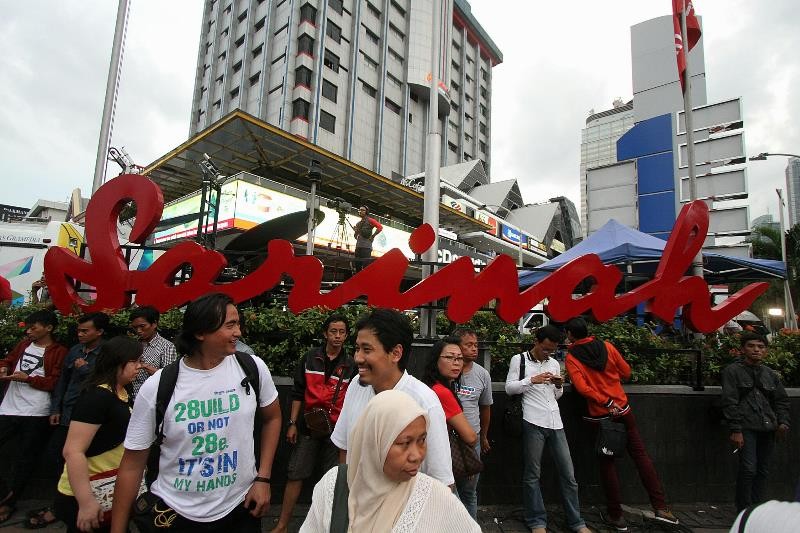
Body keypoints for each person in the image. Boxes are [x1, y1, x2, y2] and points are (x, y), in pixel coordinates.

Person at [110, 292, 282, 532]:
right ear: (200, 332)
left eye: (238, 324)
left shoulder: (252, 368)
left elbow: (272, 418)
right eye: (230, 325)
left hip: (240, 507)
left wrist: (263, 478)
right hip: (175, 513)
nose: (238, 333)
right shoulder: (159, 386)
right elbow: (132, 465)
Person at [300, 390, 480, 532]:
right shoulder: (333, 487)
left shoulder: (436, 499)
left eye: (422, 440)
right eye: (404, 443)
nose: (416, 455)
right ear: (375, 442)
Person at [564, 317, 677, 531]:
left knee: (607, 465)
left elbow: (582, 387)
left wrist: (604, 400)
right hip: (624, 410)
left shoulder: (572, 357)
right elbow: (626, 372)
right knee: (641, 456)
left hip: (598, 416)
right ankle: (661, 507)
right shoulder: (607, 346)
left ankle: (616, 515)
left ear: (570, 334)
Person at [330, 308, 454, 487]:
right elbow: (345, 448)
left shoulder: (424, 402)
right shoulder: (357, 385)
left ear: (396, 353)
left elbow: (441, 481)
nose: (358, 358)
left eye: (367, 349)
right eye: (357, 348)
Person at [270, 314, 356, 533]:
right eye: (334, 331)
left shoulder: (351, 364)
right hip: (309, 425)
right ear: (325, 333)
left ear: (346, 335)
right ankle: (282, 525)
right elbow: (298, 392)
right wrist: (292, 423)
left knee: (332, 480)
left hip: (337, 429)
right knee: (295, 473)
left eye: (342, 332)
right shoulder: (310, 358)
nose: (338, 336)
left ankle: (325, 527)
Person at [505, 325, 591, 533]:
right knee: (533, 473)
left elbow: (556, 396)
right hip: (532, 419)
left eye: (552, 349)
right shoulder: (520, 360)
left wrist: (559, 385)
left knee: (569, 474)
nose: (548, 353)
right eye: (545, 348)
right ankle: (537, 521)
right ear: (536, 341)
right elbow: (509, 388)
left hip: (556, 421)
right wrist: (531, 380)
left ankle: (576, 521)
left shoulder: (553, 363)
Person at [53, 336, 144, 533]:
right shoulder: (96, 397)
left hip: (113, 487)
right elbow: (73, 451)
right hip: (90, 489)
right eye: (134, 361)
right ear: (116, 362)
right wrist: (86, 502)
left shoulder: (124, 391)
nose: (139, 366)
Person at [29, 313, 109, 530]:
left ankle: (85, 504)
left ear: (99, 332)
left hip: (90, 419)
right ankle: (63, 504)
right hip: (67, 415)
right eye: (79, 330)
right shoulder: (74, 350)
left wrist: (84, 368)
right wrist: (56, 407)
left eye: (86, 331)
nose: (80, 334)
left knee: (83, 461)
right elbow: (63, 381)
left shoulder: (106, 353)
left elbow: (104, 380)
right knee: (55, 458)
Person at [0, 310, 67, 524]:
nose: (29, 331)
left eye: (34, 327)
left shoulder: (59, 351)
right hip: (8, 407)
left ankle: (8, 504)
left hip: (36, 411)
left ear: (49, 328)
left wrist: (28, 379)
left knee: (25, 459)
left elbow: (55, 383)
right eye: (28, 327)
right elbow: (9, 360)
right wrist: (4, 368)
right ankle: (4, 495)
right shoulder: (22, 345)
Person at [721, 331, 790, 511]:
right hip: (746, 427)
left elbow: (781, 400)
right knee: (749, 469)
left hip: (768, 427)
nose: (756, 350)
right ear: (743, 349)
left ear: (766, 351)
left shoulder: (770, 374)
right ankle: (744, 509)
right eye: (751, 346)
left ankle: (756, 509)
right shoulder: (732, 371)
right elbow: (730, 401)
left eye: (760, 347)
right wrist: (736, 429)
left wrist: (783, 422)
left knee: (762, 470)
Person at [421, 338, 478, 482]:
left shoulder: (427, 387)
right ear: (435, 360)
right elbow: (470, 436)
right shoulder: (442, 392)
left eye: (459, 358)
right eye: (449, 357)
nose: (456, 362)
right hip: (442, 463)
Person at [452, 327, 493, 518]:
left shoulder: (483, 374)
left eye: (476, 345)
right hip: (449, 439)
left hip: (472, 440)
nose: (474, 349)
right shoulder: (448, 371)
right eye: (469, 345)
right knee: (448, 489)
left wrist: (483, 437)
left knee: (469, 491)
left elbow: (485, 407)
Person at [128, 306, 177, 400]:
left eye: (142, 326)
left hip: (151, 399)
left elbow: (167, 377)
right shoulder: (132, 344)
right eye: (135, 327)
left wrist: (144, 366)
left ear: (154, 324)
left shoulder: (166, 346)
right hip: (131, 397)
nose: (138, 331)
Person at [352, 206, 382, 273]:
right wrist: (356, 231)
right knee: (357, 268)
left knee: (366, 267)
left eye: (363, 210)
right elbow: (355, 236)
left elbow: (380, 227)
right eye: (359, 210)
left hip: (366, 247)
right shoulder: (358, 224)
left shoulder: (370, 220)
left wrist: (373, 236)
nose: (360, 211)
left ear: (366, 212)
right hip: (358, 246)